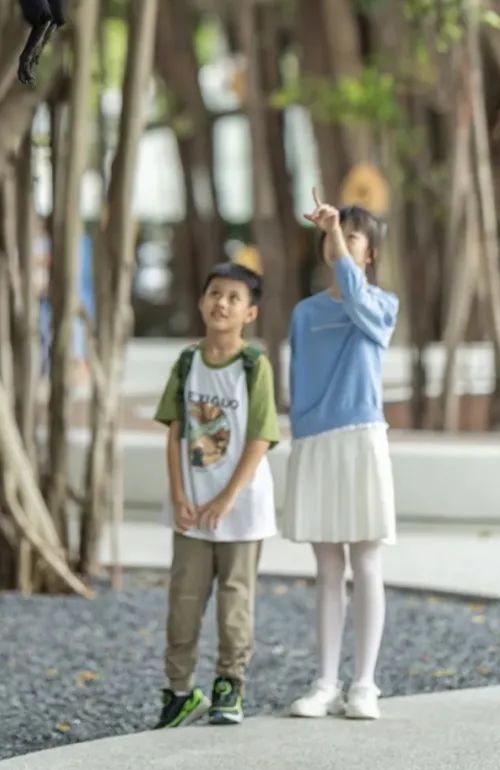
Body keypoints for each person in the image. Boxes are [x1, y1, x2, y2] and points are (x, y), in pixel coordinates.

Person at [285, 191, 398, 721]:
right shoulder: (305, 314)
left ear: (369, 253)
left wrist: (336, 235)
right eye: (336, 236)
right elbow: (298, 379)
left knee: (366, 560)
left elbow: (354, 296)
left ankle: (365, 684)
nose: (342, 244)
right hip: (317, 441)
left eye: (353, 237)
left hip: (361, 439)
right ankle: (325, 681)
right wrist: (303, 432)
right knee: (327, 567)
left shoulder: (380, 305)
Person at [153, 261, 279, 729]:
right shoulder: (188, 362)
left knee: (235, 598)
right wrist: (180, 493)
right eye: (215, 293)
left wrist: (227, 498)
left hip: (241, 506)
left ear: (250, 313)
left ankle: (230, 685)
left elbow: (261, 437)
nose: (221, 303)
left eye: (233, 297)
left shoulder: (253, 365)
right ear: (202, 300)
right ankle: (180, 691)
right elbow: (174, 432)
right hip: (191, 505)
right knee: (184, 600)